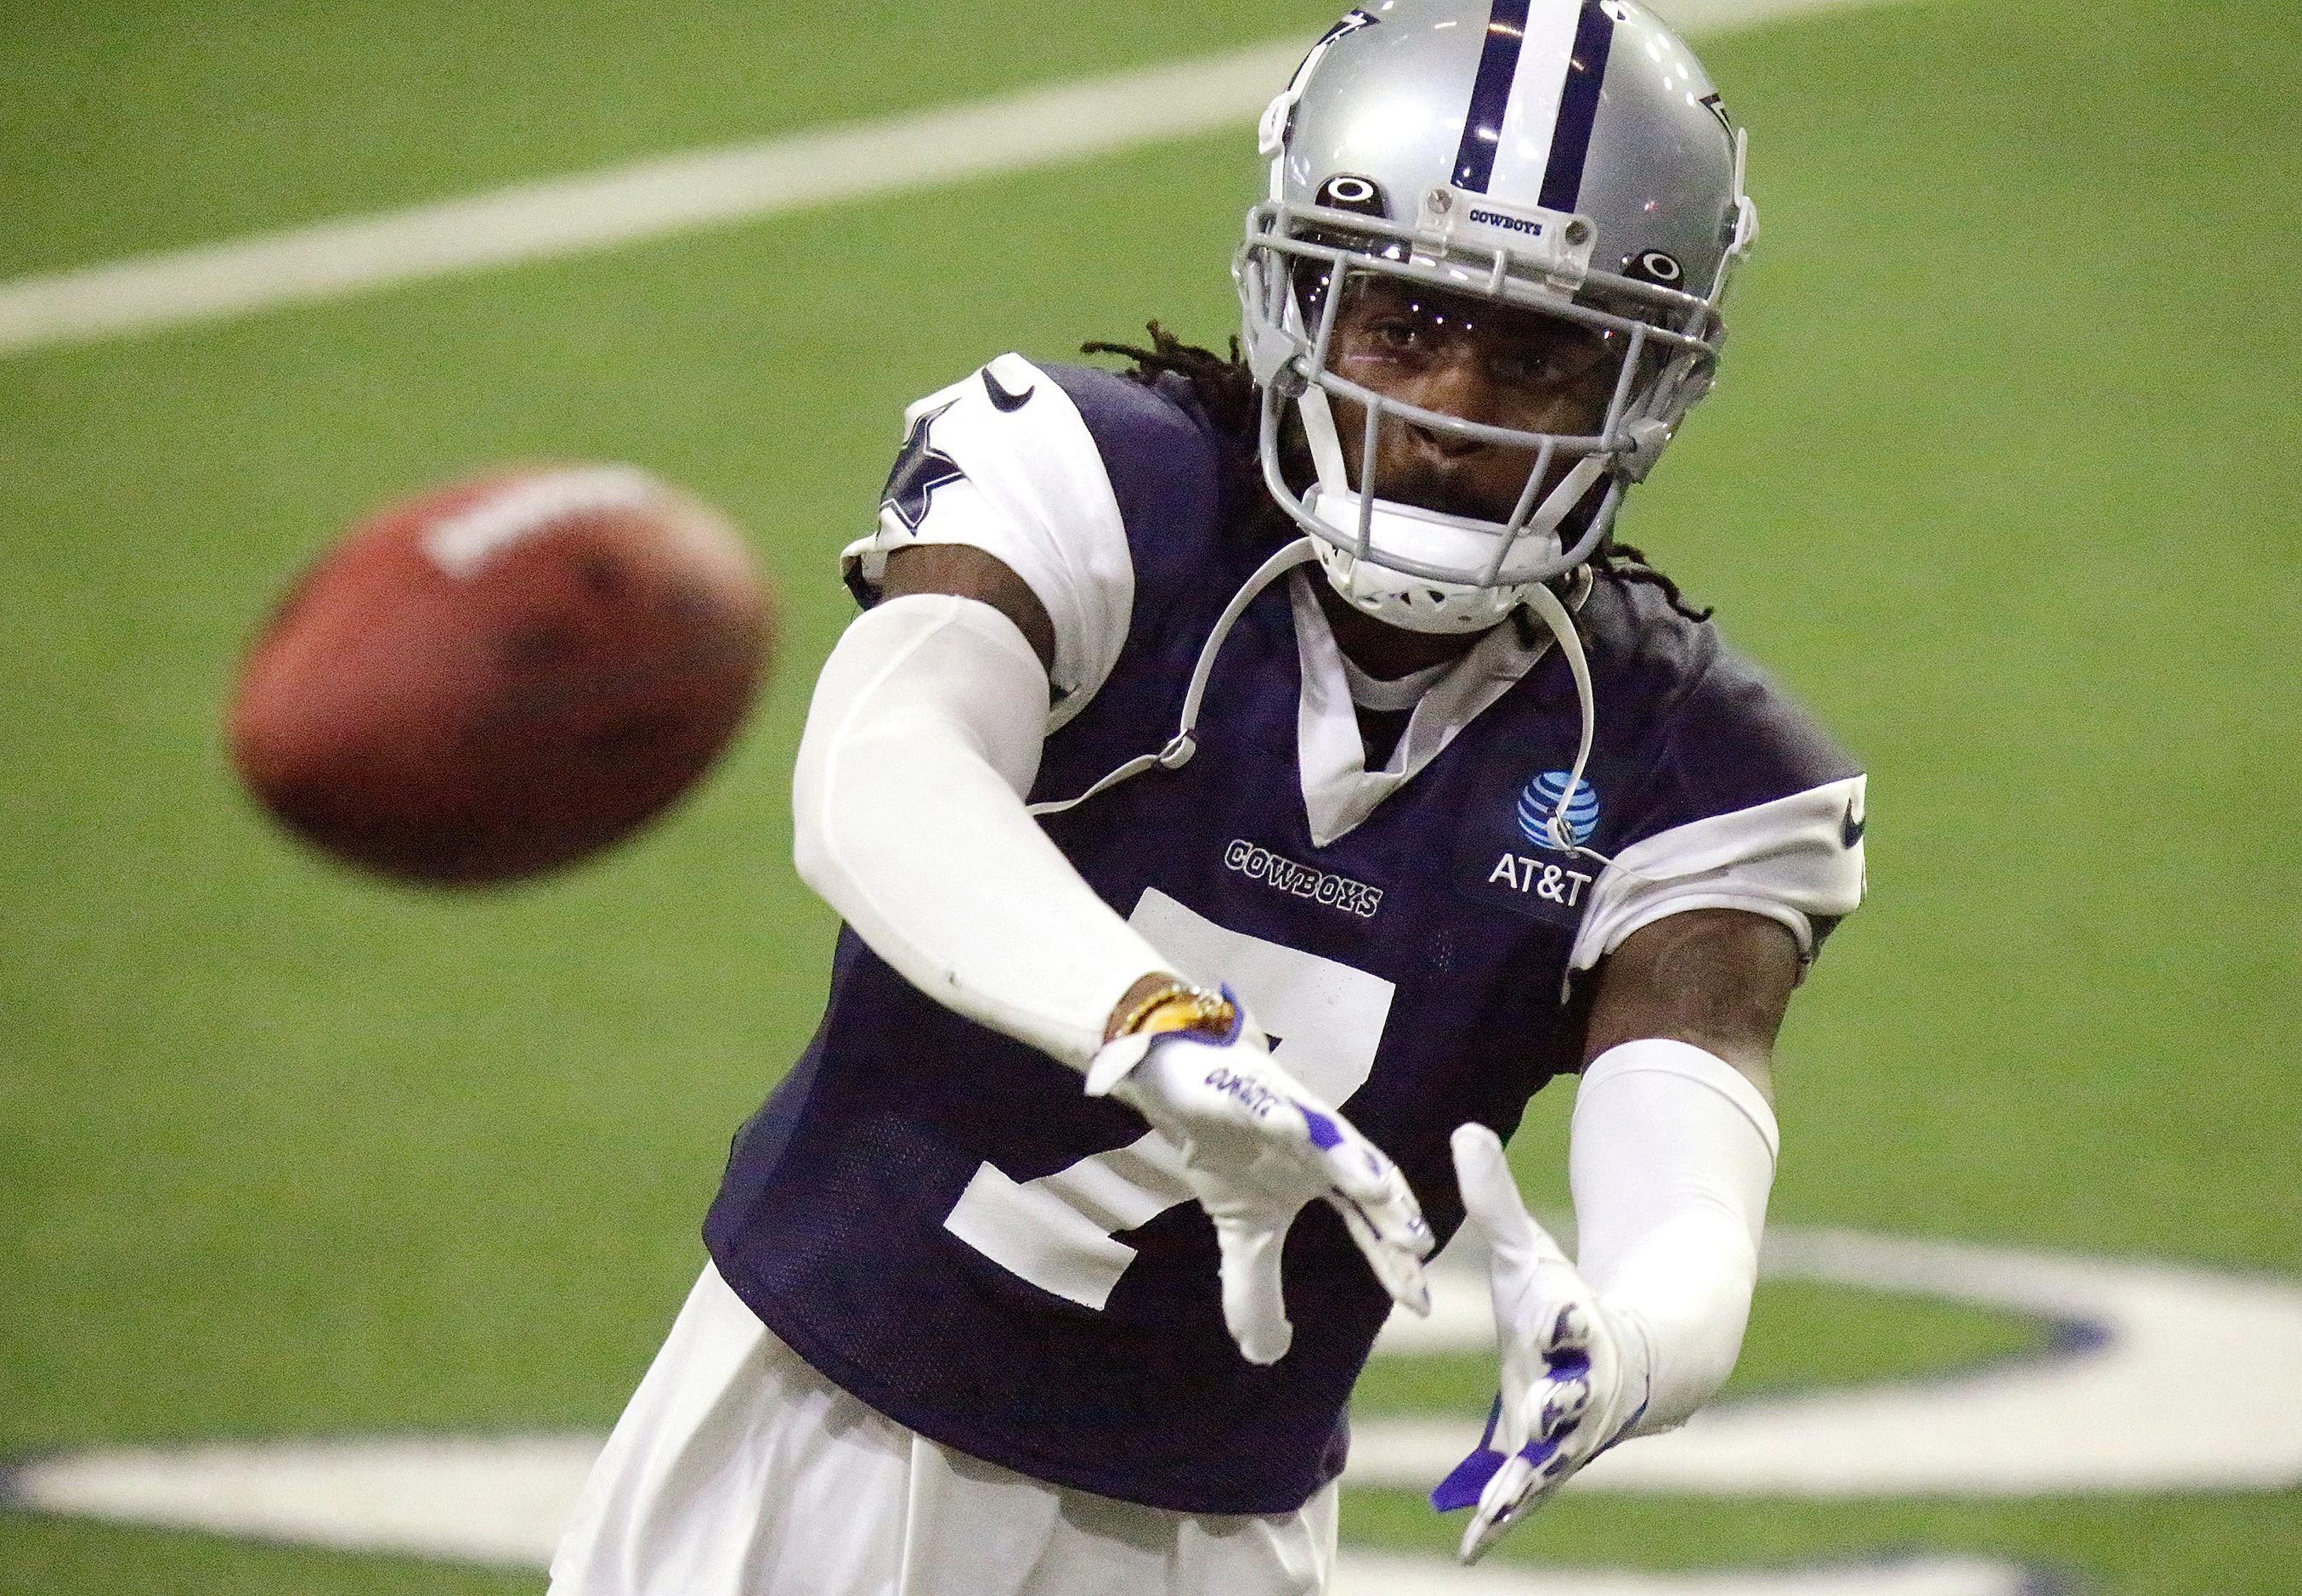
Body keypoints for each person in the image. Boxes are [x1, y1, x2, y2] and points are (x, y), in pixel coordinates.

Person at [550, 1, 1865, 1590]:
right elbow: (880, 778)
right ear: (1294, 294)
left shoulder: (1698, 768)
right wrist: (1150, 1021)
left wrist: (1641, 1342)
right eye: (1405, 319)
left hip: (1217, 1539)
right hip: (807, 1445)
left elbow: (1689, 1145)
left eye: (1539, 353)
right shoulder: (1100, 487)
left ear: (1643, 387)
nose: (1456, 404)